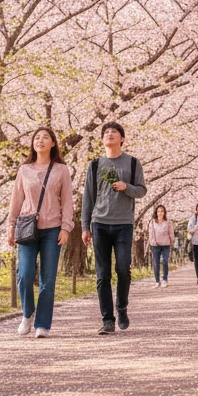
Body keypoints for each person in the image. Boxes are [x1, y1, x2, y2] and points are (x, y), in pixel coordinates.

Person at [7, 126, 74, 338]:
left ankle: (43, 324)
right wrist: (11, 226)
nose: (41, 140)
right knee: (25, 275)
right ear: (33, 144)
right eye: (37, 138)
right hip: (27, 227)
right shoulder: (24, 170)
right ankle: (28, 314)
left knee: (48, 279)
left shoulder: (61, 170)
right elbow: (16, 200)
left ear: (53, 143)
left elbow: (68, 201)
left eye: (46, 137)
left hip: (53, 229)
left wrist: (66, 227)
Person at [82, 121, 148, 334]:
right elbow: (88, 199)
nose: (109, 134)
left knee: (122, 268)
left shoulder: (132, 163)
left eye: (114, 132)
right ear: (102, 139)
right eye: (106, 132)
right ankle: (107, 319)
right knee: (102, 274)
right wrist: (85, 226)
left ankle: (122, 307)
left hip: (123, 224)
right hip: (99, 223)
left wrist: (125, 187)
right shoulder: (94, 165)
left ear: (122, 138)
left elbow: (141, 191)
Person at [148, 205, 174, 288]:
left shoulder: (168, 222)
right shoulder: (152, 222)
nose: (160, 213)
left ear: (164, 212)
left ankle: (165, 279)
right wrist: (152, 243)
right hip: (155, 245)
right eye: (158, 211)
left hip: (165, 245)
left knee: (165, 261)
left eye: (162, 211)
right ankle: (157, 280)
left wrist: (172, 242)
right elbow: (151, 234)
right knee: (156, 263)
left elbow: (171, 233)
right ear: (156, 212)